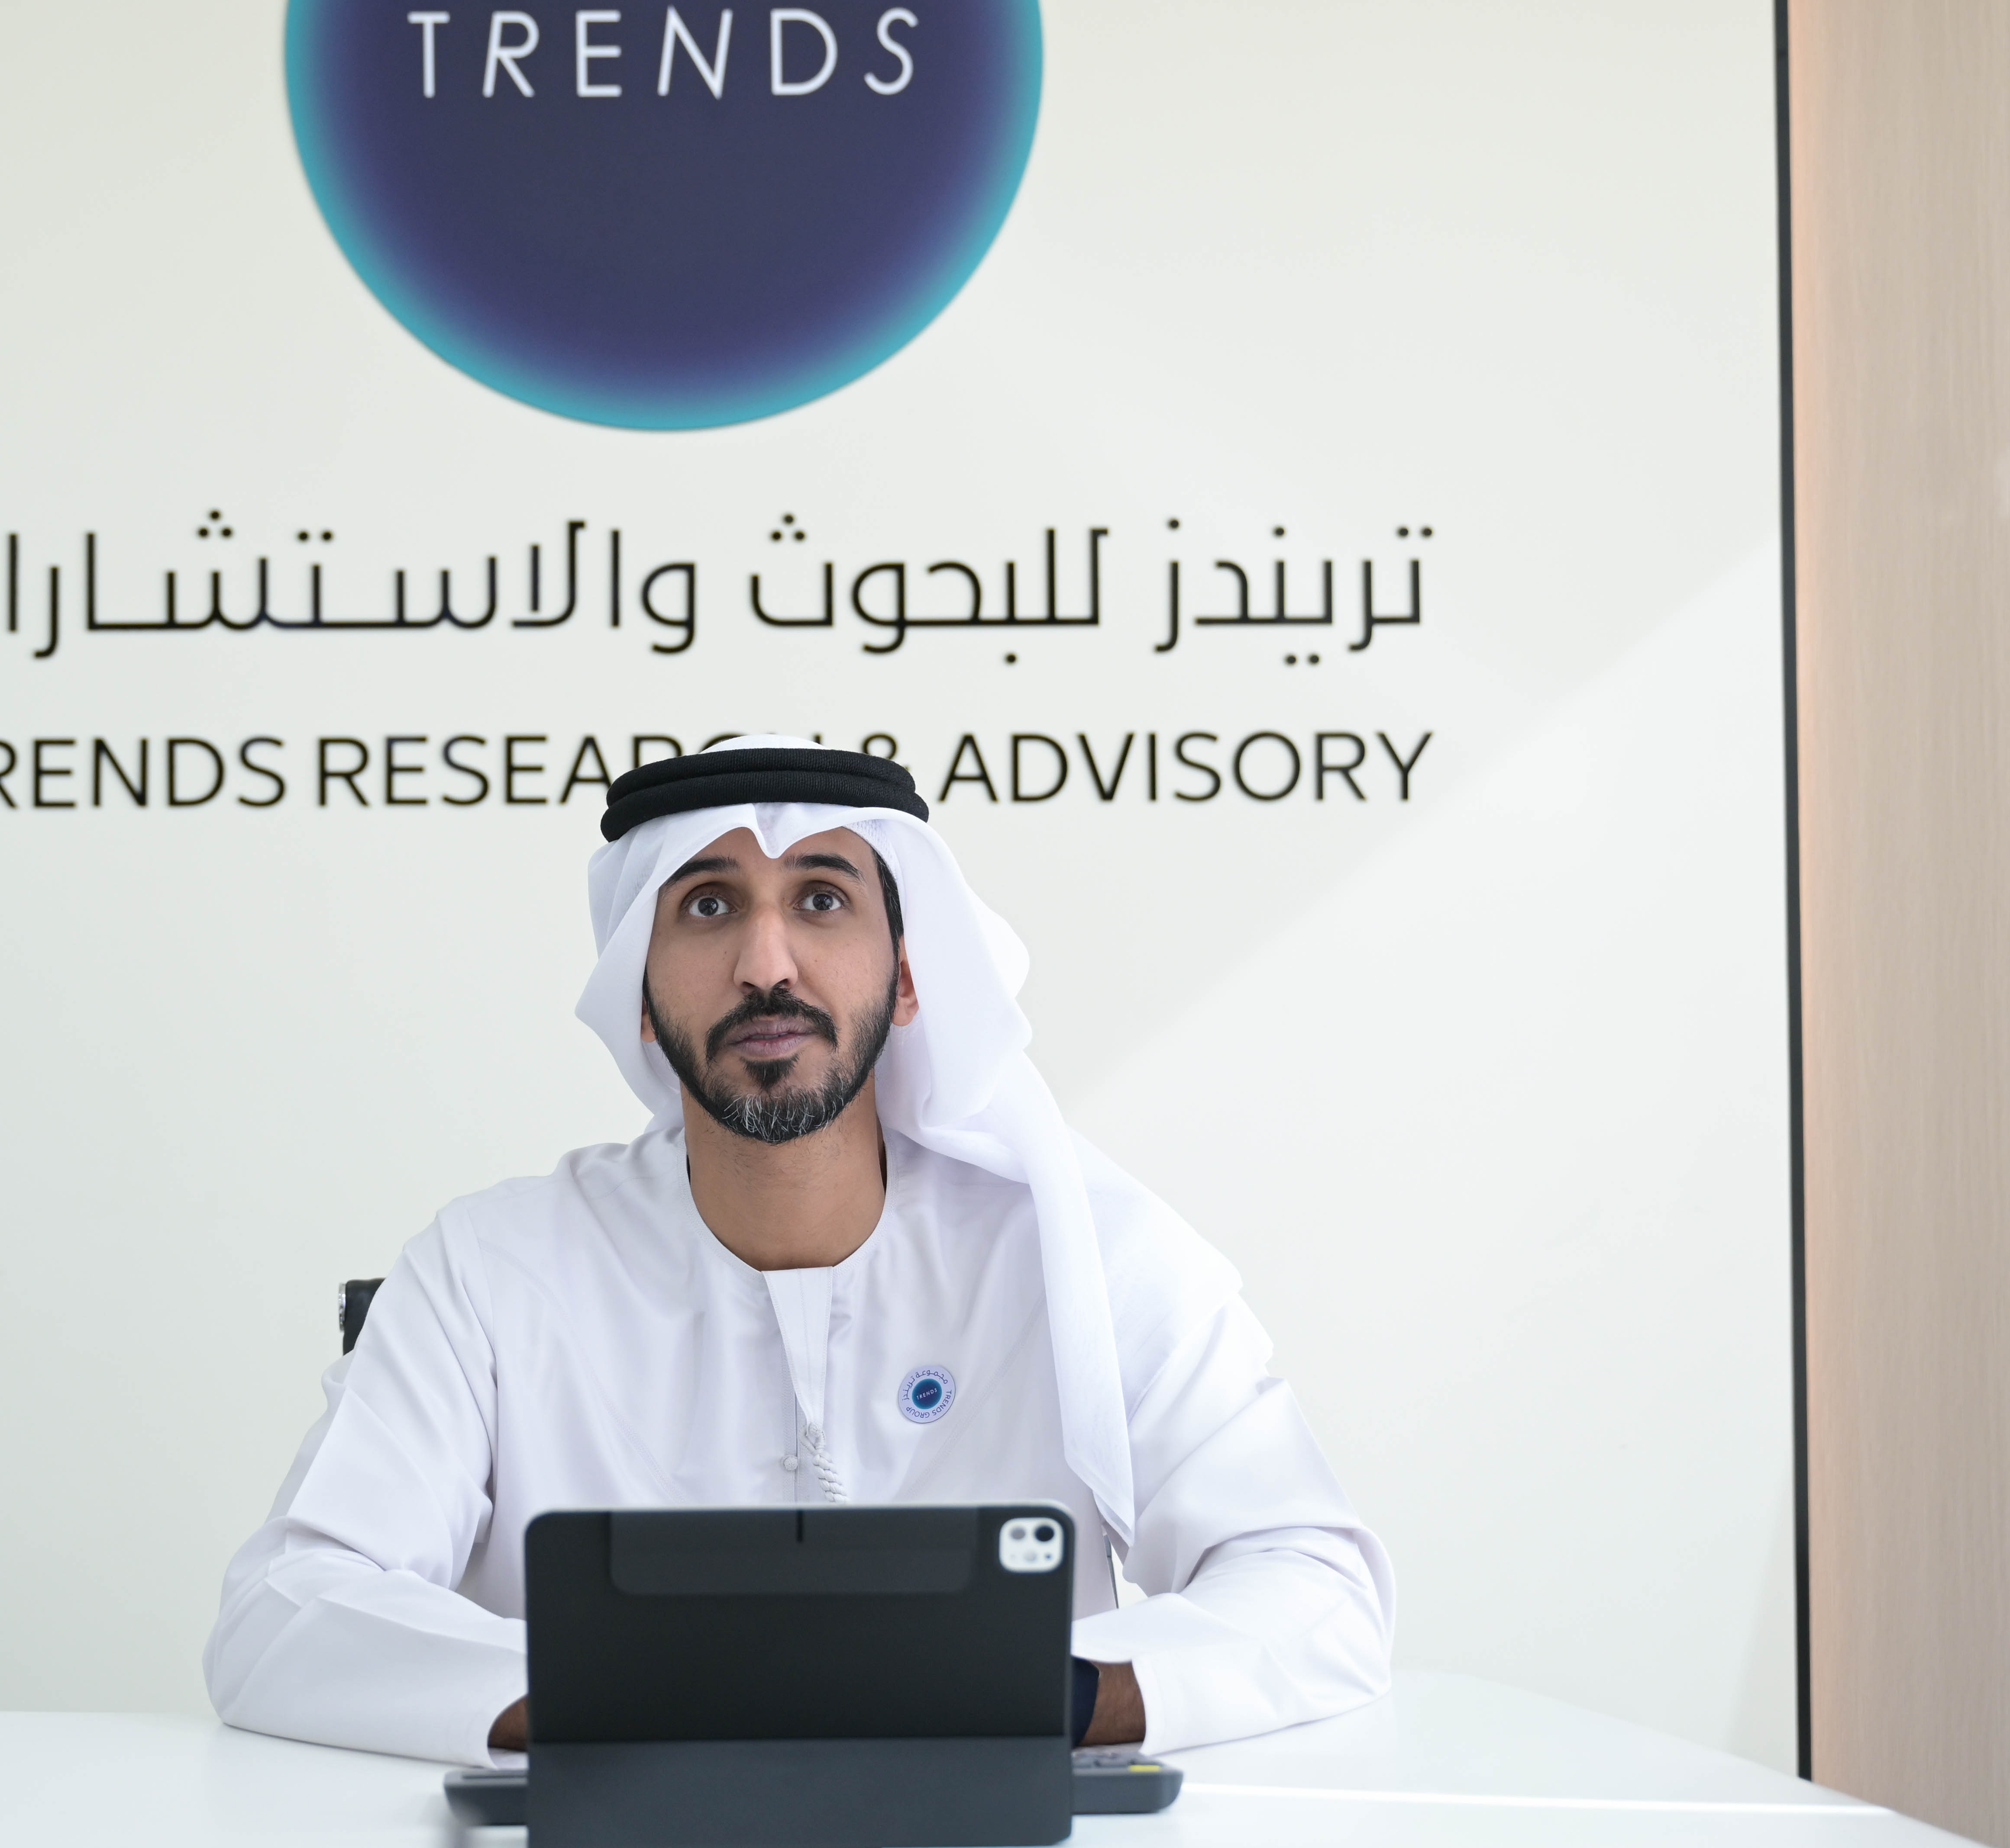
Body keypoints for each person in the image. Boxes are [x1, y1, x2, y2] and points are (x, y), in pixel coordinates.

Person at [204, 737, 1393, 1764]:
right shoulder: (489, 1268)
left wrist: (1046, 1696)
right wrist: (626, 1705)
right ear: (638, 995)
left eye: (821, 900)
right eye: (708, 907)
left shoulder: (1080, 1251)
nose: (766, 965)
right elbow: (283, 1610)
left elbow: (1315, 1588)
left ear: (909, 977)